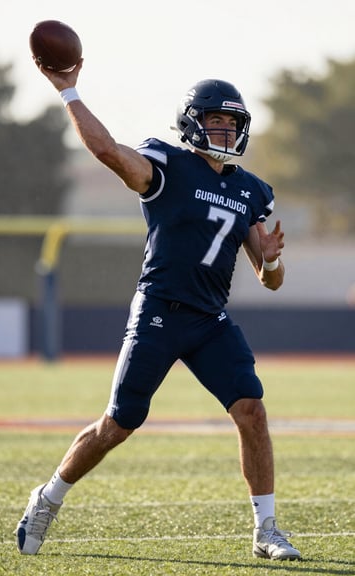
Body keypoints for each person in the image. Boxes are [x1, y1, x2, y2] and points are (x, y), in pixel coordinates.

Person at [16, 59, 301, 562]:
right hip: (159, 311)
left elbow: (269, 280)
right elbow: (106, 150)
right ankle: (48, 496)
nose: (227, 131)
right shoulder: (167, 165)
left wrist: (274, 260)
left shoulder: (250, 189)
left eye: (234, 124)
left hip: (210, 320)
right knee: (117, 425)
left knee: (252, 412)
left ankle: (266, 529)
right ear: (192, 122)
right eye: (217, 121)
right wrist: (68, 91)